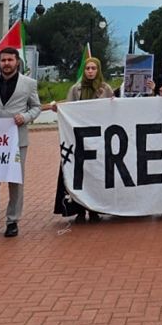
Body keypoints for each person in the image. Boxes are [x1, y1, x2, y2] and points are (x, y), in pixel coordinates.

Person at [0, 47, 40, 238]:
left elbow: (36, 107)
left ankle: (13, 221)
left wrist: (26, 116)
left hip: (17, 139)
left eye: (10, 60)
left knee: (15, 181)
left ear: (17, 62)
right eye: (3, 60)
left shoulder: (29, 84)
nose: (6, 64)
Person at [52, 57, 112, 223]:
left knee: (95, 174)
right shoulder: (75, 89)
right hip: (77, 139)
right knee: (77, 174)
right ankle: (78, 209)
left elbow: (112, 112)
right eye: (88, 68)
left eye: (93, 68)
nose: (90, 71)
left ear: (98, 70)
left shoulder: (105, 89)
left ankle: (94, 210)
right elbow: (69, 110)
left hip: (98, 139)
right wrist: (60, 109)